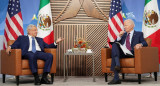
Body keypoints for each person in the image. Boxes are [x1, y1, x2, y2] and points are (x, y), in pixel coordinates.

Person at [108, 19, 148, 85]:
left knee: (115, 57)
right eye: (124, 25)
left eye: (126, 25)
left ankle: (116, 78)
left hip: (131, 52)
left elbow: (145, 43)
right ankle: (117, 65)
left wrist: (140, 44)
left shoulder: (139, 34)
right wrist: (119, 36)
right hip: (122, 52)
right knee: (115, 44)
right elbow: (115, 44)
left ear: (131, 26)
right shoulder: (123, 35)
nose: (124, 27)